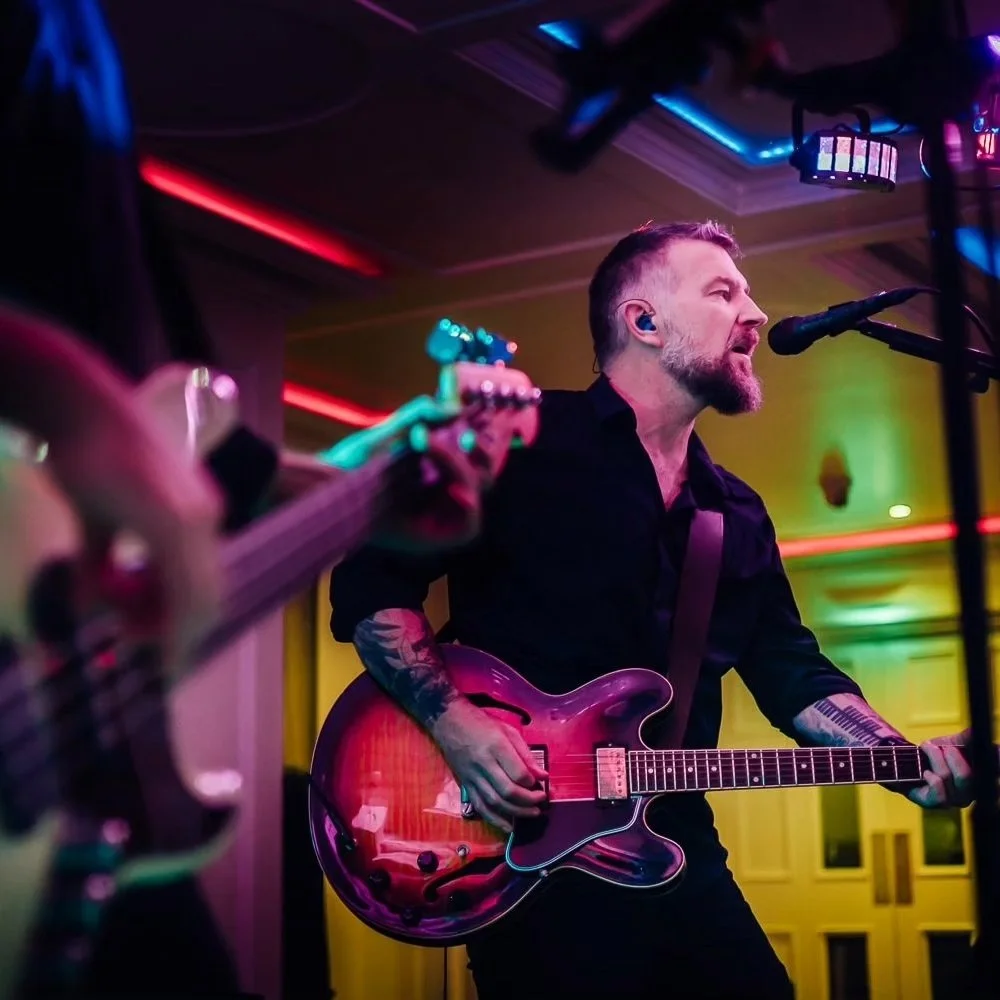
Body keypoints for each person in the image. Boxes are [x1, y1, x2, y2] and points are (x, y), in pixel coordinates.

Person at [329, 220, 974, 1000]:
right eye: (724, 291)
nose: (758, 314)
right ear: (643, 321)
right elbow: (371, 584)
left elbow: (794, 675)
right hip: (523, 850)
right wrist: (455, 725)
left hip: (675, 844)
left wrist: (903, 759)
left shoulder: (733, 512)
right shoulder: (522, 443)